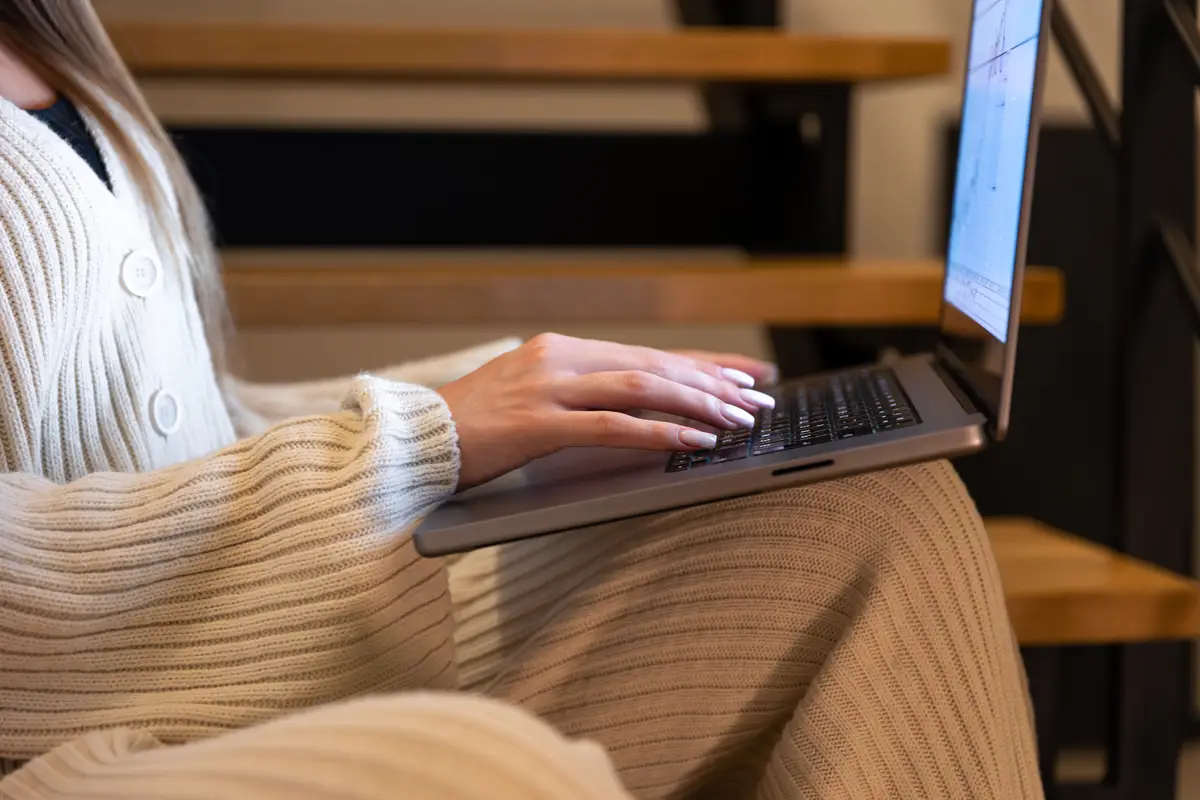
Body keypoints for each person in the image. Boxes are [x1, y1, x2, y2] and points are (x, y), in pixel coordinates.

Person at [0, 2, 1044, 798]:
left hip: (193, 635)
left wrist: (513, 416)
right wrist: (428, 438)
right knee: (497, 770)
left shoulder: (52, 30)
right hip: (68, 730)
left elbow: (184, 420)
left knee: (880, 515)